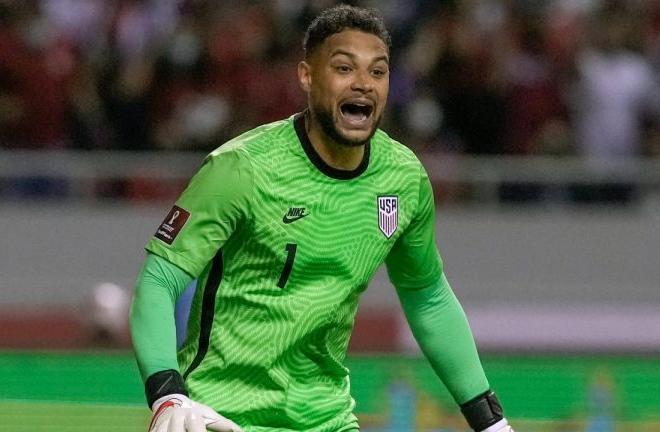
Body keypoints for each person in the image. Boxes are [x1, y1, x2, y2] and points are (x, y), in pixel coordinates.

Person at [129, 5, 514, 432]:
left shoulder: (403, 180)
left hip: (327, 419)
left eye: (378, 71)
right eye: (344, 68)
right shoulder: (241, 169)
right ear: (307, 76)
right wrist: (168, 395)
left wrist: (489, 421)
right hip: (220, 416)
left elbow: (427, 296)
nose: (364, 84)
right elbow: (159, 280)